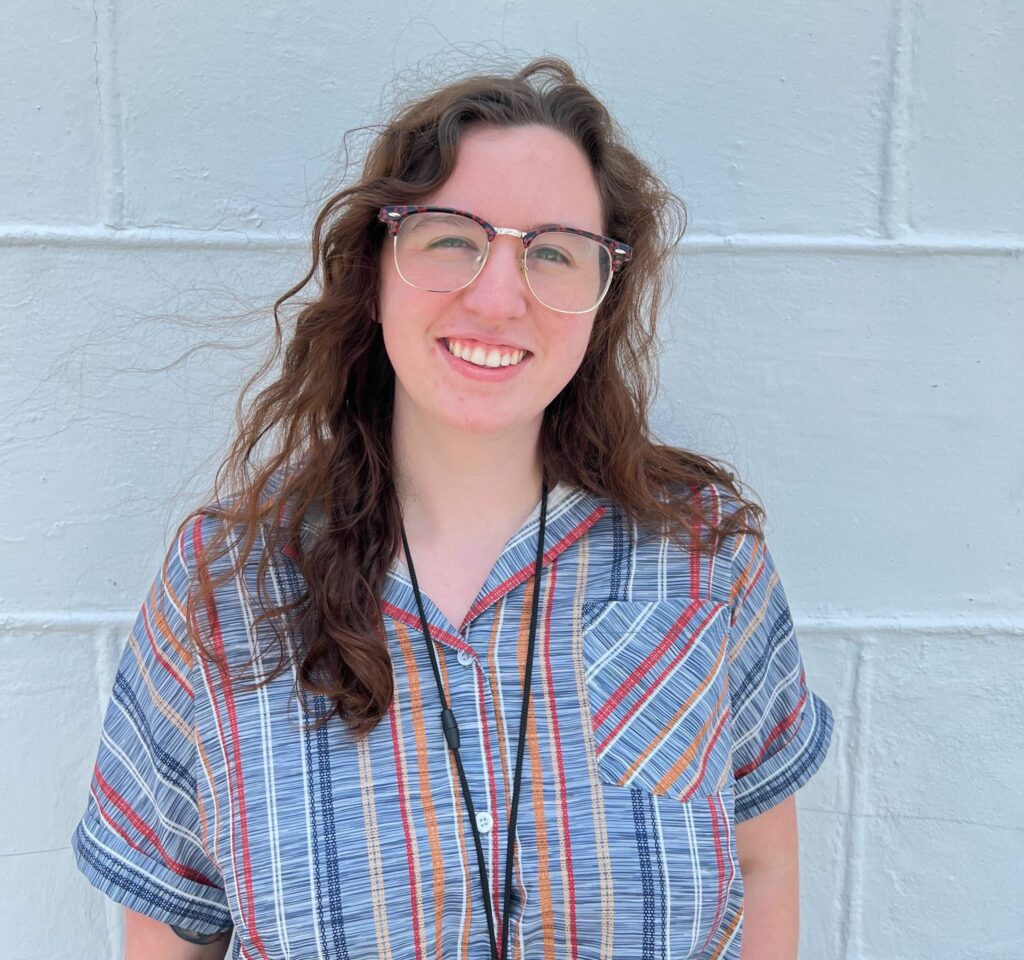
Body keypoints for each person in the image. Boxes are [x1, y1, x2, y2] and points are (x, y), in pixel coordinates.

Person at [72, 57, 833, 960]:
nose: (500, 296)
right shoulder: (227, 585)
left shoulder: (703, 555)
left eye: (553, 250)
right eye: (451, 237)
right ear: (375, 267)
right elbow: (171, 933)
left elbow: (762, 864)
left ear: (603, 294)